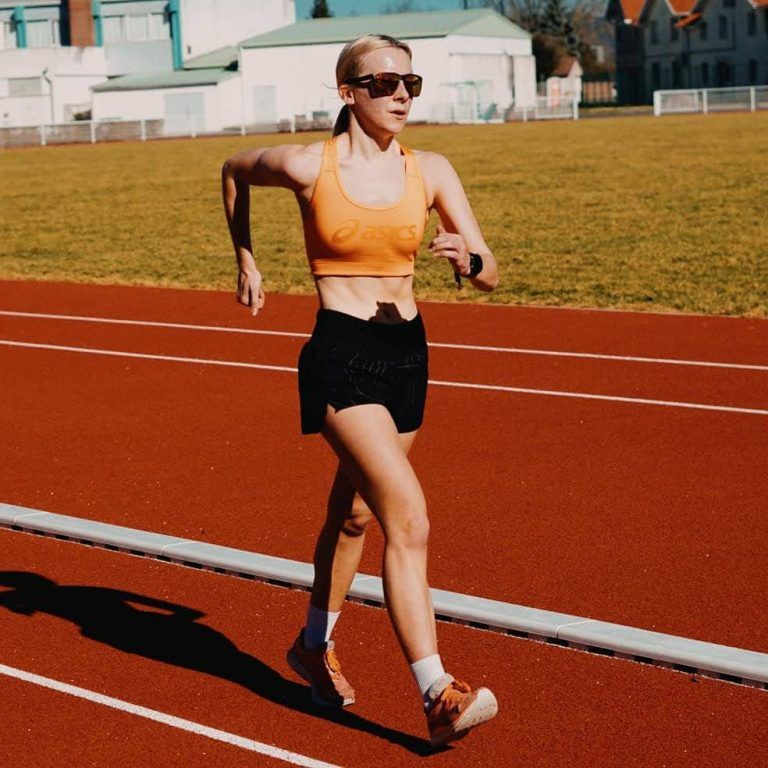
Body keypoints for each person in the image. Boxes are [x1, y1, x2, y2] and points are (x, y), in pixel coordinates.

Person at [221, 33, 499, 748]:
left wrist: (468, 258)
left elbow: (491, 267)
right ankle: (437, 691)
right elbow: (231, 169)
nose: (401, 93)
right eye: (383, 83)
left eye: (411, 81)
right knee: (407, 515)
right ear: (348, 92)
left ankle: (313, 644)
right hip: (341, 354)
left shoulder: (431, 169)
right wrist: (246, 259)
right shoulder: (306, 165)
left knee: (355, 517)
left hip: (407, 353)